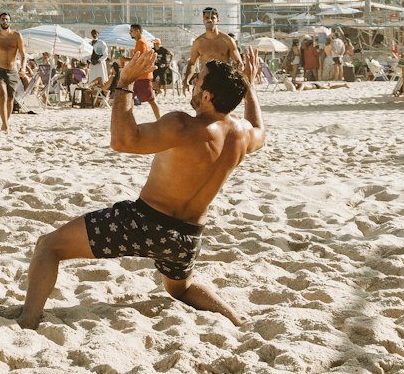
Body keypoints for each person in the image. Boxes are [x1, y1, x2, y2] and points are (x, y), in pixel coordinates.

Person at [17, 46, 266, 330]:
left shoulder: (182, 125)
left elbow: (123, 141)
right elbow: (261, 130)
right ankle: (236, 319)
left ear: (207, 96)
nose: (193, 81)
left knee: (48, 247)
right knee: (180, 289)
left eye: (198, 79)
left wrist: (124, 84)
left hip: (144, 222)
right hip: (187, 237)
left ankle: (27, 320)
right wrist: (249, 89)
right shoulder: (242, 135)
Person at [0, 12, 27, 132]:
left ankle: (5, 122)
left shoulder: (17, 36)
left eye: (7, 19)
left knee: (11, 99)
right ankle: (5, 126)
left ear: (10, 21)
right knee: (2, 96)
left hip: (12, 71)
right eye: (2, 19)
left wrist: (23, 67)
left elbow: (23, 55)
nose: (5, 21)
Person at [183, 8, 242, 90]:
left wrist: (238, 78)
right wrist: (186, 80)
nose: (209, 20)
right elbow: (192, 63)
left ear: (218, 20)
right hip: (206, 81)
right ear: (203, 20)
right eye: (206, 18)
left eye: (213, 18)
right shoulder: (198, 42)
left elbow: (239, 62)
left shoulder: (227, 40)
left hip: (223, 80)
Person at [128, 23, 160, 120]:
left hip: (143, 76)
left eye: (132, 31)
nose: (130, 33)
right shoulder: (141, 42)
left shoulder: (141, 43)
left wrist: (127, 59)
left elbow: (139, 59)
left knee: (151, 99)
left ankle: (159, 119)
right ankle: (129, 119)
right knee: (130, 98)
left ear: (138, 31)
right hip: (139, 75)